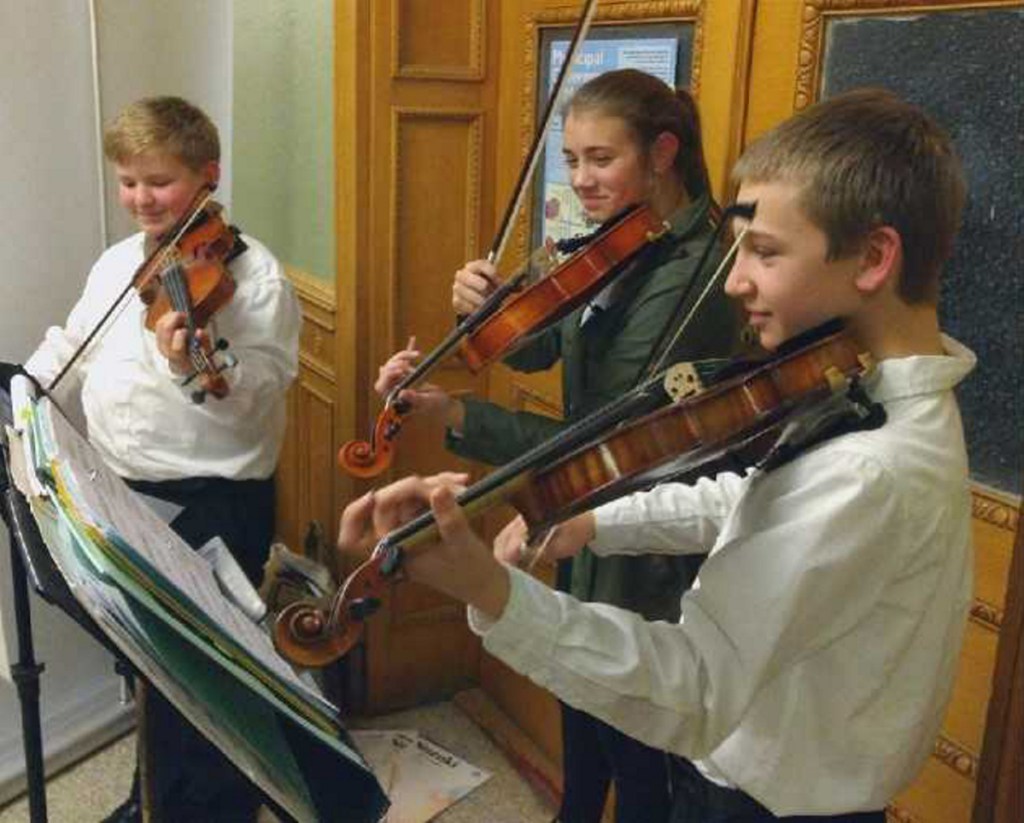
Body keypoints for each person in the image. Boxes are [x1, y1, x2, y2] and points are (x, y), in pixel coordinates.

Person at [339, 88, 976, 821]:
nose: (736, 280)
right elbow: (752, 497)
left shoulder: (871, 463)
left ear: (873, 257)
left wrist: (491, 589)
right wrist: (597, 523)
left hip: (769, 798)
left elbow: (695, 685)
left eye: (764, 252)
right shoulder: (868, 392)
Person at [375, 69, 742, 822]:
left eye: (601, 159)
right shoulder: (609, 241)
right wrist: (487, 311)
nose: (581, 179)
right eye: (571, 160)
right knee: (579, 701)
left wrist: (456, 417)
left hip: (645, 525)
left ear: (663, 151)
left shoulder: (697, 270)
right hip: (582, 509)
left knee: (634, 735)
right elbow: (538, 351)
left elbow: (602, 434)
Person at [23, 96, 301, 822]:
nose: (141, 198)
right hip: (124, 488)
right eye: (128, 181)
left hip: (213, 498)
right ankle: (154, 798)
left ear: (208, 175)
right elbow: (72, 342)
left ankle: (210, 810)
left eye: (159, 181)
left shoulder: (256, 279)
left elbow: (262, 388)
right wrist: (25, 394)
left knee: (208, 674)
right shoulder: (122, 260)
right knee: (146, 663)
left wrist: (204, 363)